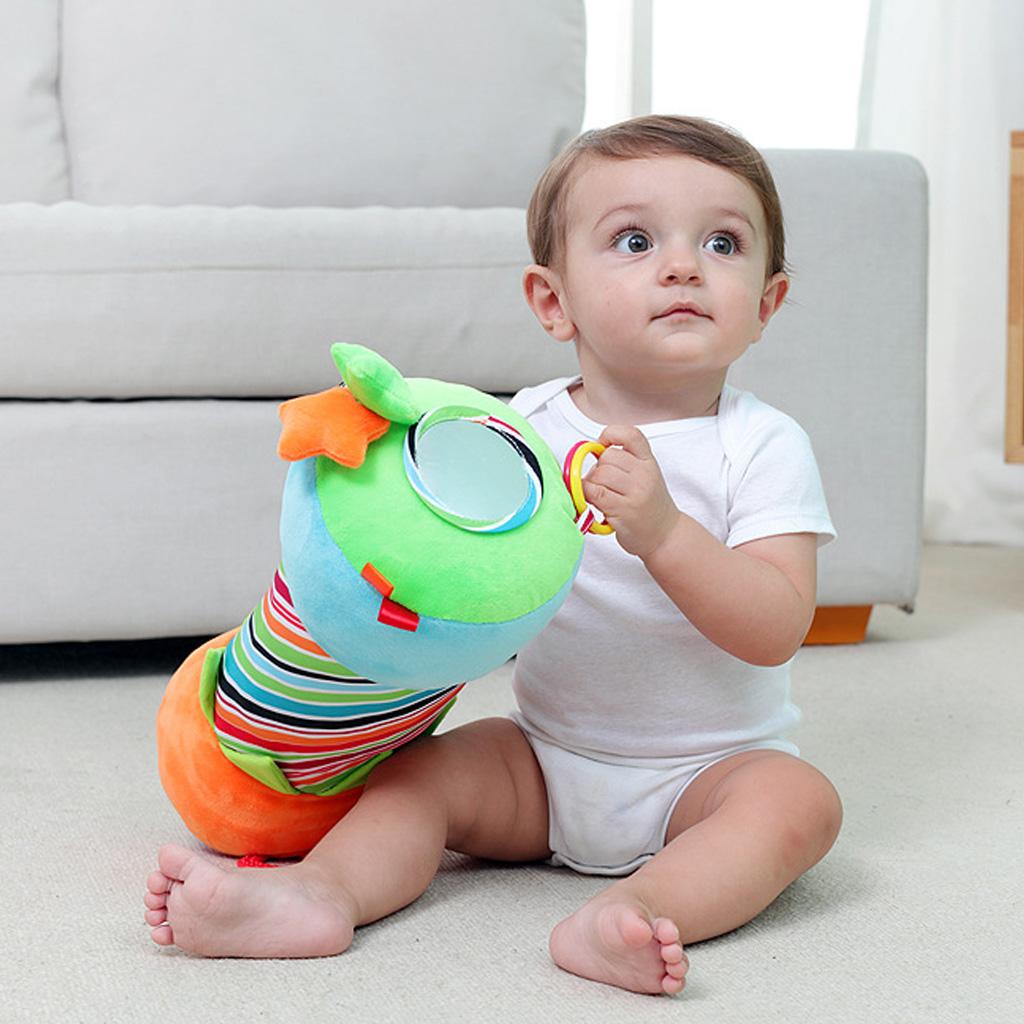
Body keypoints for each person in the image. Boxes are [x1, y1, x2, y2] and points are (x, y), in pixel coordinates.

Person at [143, 114, 842, 997]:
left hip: (706, 775)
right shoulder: (521, 429)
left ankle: (636, 909)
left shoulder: (763, 446)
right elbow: (442, 538)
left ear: (766, 304)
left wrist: (664, 532)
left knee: (798, 806)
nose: (682, 265)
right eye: (634, 239)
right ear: (554, 302)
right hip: (544, 759)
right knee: (419, 774)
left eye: (722, 242)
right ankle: (319, 894)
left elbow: (776, 626)